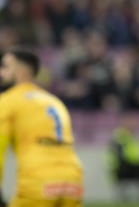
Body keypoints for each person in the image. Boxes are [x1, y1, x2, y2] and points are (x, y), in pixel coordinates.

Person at [0, 47, 84, 207]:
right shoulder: (54, 101)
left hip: (38, 179)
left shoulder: (8, 100)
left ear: (21, 71)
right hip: (73, 179)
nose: (0, 72)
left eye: (5, 67)